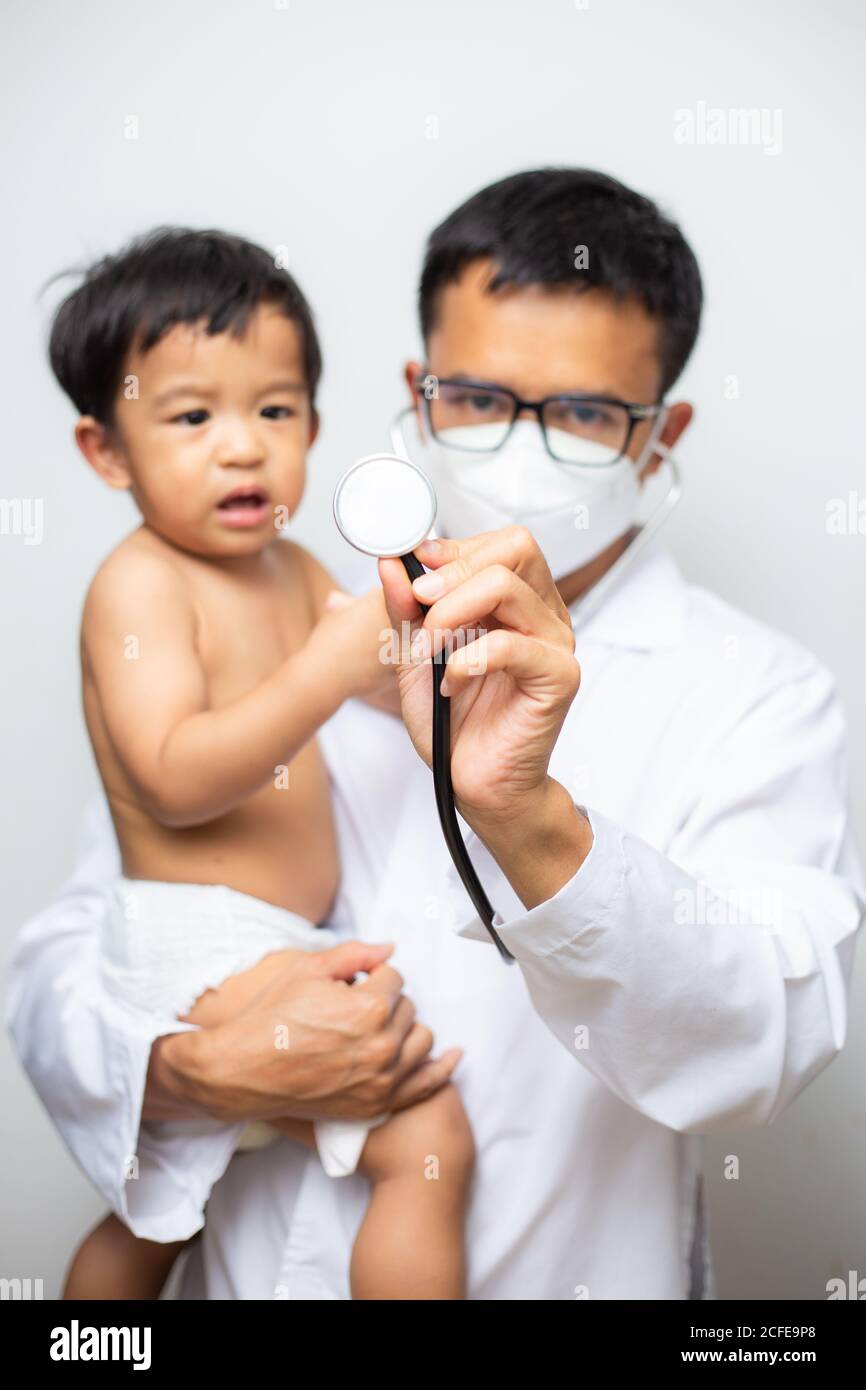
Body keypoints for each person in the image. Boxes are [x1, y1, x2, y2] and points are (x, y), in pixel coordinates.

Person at [8, 170, 863, 1300]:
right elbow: (76, 957)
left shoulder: (756, 692)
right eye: (477, 395)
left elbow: (757, 1046)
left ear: (658, 438)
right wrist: (197, 1071)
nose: (521, 444)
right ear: (419, 392)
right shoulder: (289, 618)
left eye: (581, 413)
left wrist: (527, 820)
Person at [42, 227, 473, 1300]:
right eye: (191, 417)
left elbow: (366, 677)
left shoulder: (291, 567)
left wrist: (422, 653)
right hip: (197, 936)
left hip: (273, 935)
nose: (241, 447)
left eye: (273, 411)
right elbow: (173, 778)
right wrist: (327, 671)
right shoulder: (138, 586)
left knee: (158, 1216)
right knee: (428, 1139)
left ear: (316, 428)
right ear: (106, 452)